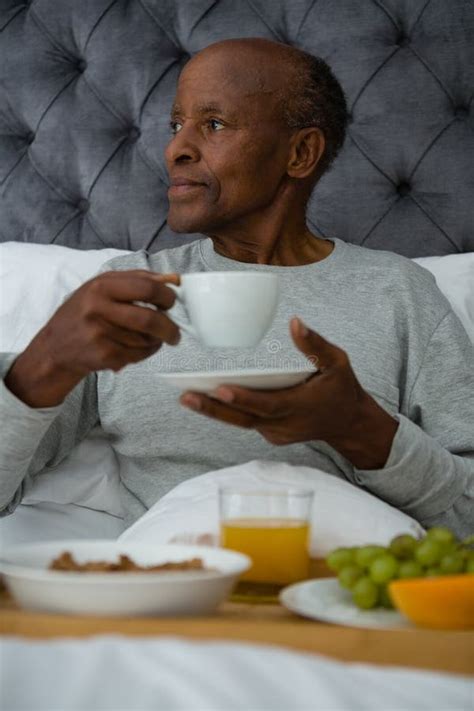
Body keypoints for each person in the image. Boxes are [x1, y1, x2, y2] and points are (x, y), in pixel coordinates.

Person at [1, 39, 473, 536]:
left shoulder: (397, 292)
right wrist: (43, 362)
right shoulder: (129, 294)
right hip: (171, 592)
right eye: (175, 124)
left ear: (300, 153)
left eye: (214, 124)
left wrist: (362, 429)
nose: (176, 149)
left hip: (343, 594)